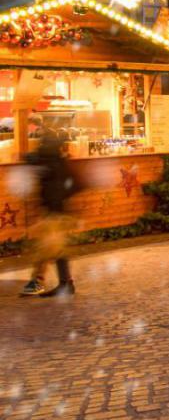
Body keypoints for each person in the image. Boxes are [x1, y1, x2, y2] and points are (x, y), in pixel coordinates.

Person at [19, 125, 75, 297]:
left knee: (51, 247)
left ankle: (51, 283)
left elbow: (30, 159)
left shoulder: (47, 160)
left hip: (53, 210)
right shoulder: (59, 160)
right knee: (53, 247)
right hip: (58, 209)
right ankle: (61, 283)